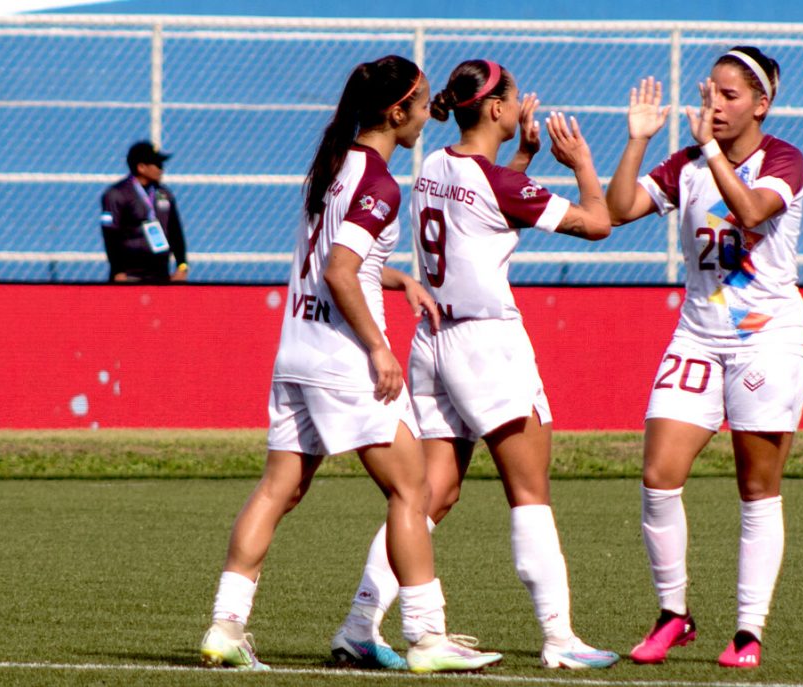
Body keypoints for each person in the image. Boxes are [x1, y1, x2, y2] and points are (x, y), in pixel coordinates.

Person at [198, 54, 502, 674]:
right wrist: (379, 348)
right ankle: (425, 636)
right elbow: (340, 271)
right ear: (397, 113)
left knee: (279, 488)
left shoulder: (334, 163)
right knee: (412, 489)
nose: (425, 118)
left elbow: (339, 258)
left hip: (296, 351)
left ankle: (225, 626)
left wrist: (394, 277)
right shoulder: (382, 183)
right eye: (419, 108)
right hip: (343, 358)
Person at [330, 58, 620, 671]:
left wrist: (523, 163)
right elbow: (599, 223)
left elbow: (481, 203)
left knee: (433, 493)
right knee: (529, 491)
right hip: (486, 343)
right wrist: (581, 164)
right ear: (495, 110)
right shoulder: (495, 182)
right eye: (514, 101)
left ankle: (360, 623)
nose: (520, 111)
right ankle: (560, 636)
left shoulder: (435, 162)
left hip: (433, 341)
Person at [605, 47, 803, 669]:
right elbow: (617, 211)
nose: (714, 107)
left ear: (761, 104)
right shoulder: (688, 161)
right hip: (695, 336)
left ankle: (748, 630)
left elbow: (750, 212)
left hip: (766, 337)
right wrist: (639, 142)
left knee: (756, 488)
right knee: (659, 476)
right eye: (709, 95)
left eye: (729, 96)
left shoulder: (783, 160)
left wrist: (714, 155)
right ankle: (674, 615)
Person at [100, 141, 188, 282]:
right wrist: (118, 270)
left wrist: (182, 265)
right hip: (130, 272)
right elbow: (110, 235)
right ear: (141, 167)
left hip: (159, 272)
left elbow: (175, 231)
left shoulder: (164, 194)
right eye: (157, 165)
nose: (161, 169)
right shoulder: (117, 194)